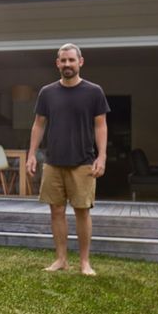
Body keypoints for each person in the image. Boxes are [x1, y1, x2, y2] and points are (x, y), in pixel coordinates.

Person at [26, 43, 109, 276]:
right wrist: (31, 154)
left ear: (80, 62)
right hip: (53, 161)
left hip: (83, 162)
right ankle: (61, 259)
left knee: (82, 211)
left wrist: (102, 156)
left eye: (71, 60)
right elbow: (38, 124)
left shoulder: (94, 92)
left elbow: (101, 125)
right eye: (63, 61)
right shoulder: (47, 92)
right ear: (57, 63)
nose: (67, 64)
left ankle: (84, 262)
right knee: (56, 211)